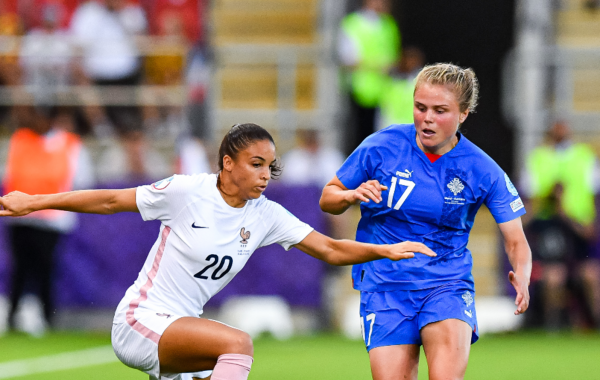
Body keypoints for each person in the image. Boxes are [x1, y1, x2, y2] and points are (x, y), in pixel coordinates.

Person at [0, 123, 435, 380]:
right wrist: (34, 201)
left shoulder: (266, 214)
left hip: (182, 327)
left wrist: (385, 250)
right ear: (227, 163)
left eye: (270, 166)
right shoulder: (188, 191)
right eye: (255, 164)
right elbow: (112, 201)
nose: (266, 175)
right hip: (140, 321)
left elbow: (331, 249)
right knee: (237, 344)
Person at [320, 63, 532, 380]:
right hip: (385, 285)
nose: (427, 118)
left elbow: (516, 239)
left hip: (446, 283)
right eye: (420, 107)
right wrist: (351, 196)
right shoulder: (382, 145)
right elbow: (328, 197)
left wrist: (524, 277)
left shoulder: (482, 169)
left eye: (440, 110)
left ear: (463, 114)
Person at [2, 105, 94, 333]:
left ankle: (47, 317)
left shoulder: (69, 144)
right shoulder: (21, 140)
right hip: (21, 217)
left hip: (51, 219)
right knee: (20, 269)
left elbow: (82, 180)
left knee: (45, 269)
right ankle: (14, 318)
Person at [521, 120, 600, 329]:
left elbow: (590, 230)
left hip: (576, 231)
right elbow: (528, 208)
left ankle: (594, 324)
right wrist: (547, 204)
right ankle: (554, 327)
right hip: (551, 245)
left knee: (592, 274)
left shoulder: (584, 156)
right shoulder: (538, 159)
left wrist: (567, 214)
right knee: (554, 275)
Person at [338, 0, 400, 153]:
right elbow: (348, 59)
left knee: (380, 133)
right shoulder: (353, 24)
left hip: (383, 90)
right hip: (360, 87)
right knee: (359, 132)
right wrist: (376, 65)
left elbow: (394, 56)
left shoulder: (388, 25)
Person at [377, 46, 425, 130]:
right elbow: (383, 111)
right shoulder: (390, 83)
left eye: (413, 59)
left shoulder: (423, 84)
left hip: (413, 130)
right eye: (407, 59)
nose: (409, 63)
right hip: (391, 129)